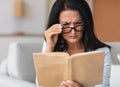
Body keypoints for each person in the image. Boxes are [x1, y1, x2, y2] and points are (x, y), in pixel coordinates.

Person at [39, 0, 111, 87]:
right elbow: (41, 85)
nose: (73, 32)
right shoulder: (49, 46)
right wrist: (49, 47)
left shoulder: (102, 52)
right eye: (65, 24)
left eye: (78, 23)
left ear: (86, 23)